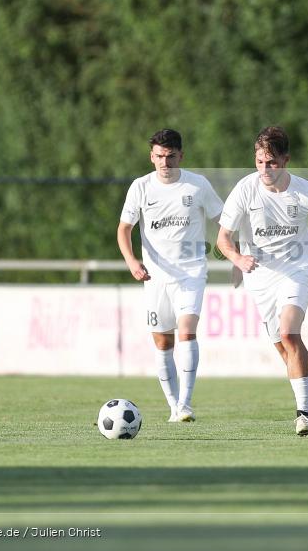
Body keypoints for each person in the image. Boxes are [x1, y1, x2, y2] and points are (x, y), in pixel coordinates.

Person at [216, 126, 308, 436]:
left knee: (289, 333)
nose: (264, 169)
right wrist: (237, 259)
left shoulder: (306, 192)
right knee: (288, 351)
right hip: (259, 274)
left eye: (271, 162)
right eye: (259, 161)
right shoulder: (245, 189)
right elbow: (223, 238)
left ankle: (304, 415)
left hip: (299, 266)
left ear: (285, 161)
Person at [117, 129, 223, 423]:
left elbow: (222, 220)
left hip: (191, 273)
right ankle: (174, 406)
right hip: (154, 278)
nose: (165, 162)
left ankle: (186, 405)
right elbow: (124, 229)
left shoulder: (197, 185)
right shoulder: (140, 187)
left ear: (181, 156)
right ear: (152, 157)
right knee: (164, 344)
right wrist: (132, 261)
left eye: (171, 156)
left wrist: (235, 253)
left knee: (188, 330)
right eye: (160, 156)